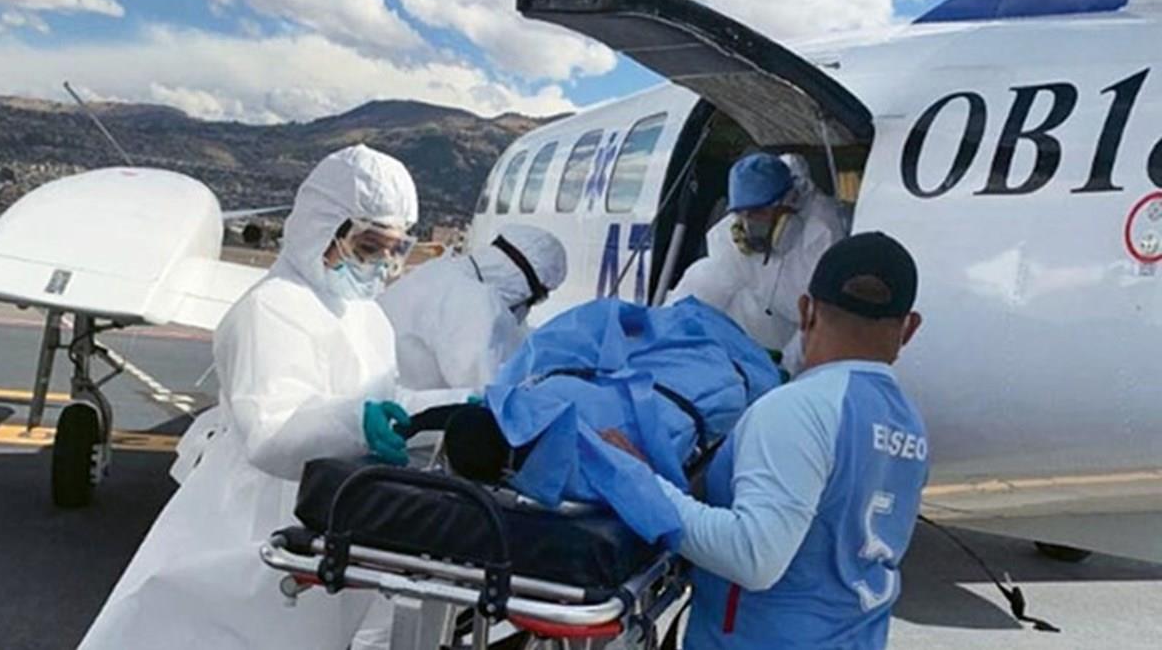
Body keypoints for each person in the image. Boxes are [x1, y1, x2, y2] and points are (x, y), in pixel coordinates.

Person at [81, 144, 463, 650]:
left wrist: (454, 405)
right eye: (369, 247)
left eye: (395, 250)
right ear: (323, 228)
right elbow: (271, 434)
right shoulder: (271, 308)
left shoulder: (364, 315)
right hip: (250, 522)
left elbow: (380, 396)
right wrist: (357, 424)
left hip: (326, 512)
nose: (383, 266)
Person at [613, 232, 926, 649]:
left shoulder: (799, 408)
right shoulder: (908, 424)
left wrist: (642, 482)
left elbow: (754, 557)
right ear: (909, 328)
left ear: (805, 310)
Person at [438, 296, 782, 545]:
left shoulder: (570, 458)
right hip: (698, 370)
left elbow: (655, 506)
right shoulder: (542, 407)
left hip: (691, 374)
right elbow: (660, 510)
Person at [670, 152, 846, 375]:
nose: (748, 224)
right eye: (741, 214)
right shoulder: (729, 237)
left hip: (807, 348)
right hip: (758, 346)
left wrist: (786, 370)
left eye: (758, 213)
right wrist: (667, 332)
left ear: (790, 201)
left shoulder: (822, 233)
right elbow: (704, 287)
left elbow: (819, 317)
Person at [378, 223, 567, 390]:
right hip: (403, 409)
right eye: (536, 298)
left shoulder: (443, 272)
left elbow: (512, 335)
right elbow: (484, 388)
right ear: (523, 287)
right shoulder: (472, 301)